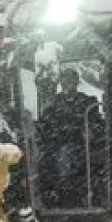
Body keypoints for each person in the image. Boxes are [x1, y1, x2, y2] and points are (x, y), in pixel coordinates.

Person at [38, 68, 105, 210]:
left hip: (84, 146)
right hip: (60, 146)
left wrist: (90, 131)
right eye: (64, 79)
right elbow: (46, 127)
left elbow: (97, 125)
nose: (66, 83)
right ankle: (63, 196)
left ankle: (89, 195)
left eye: (70, 79)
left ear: (76, 82)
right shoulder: (53, 104)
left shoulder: (89, 102)